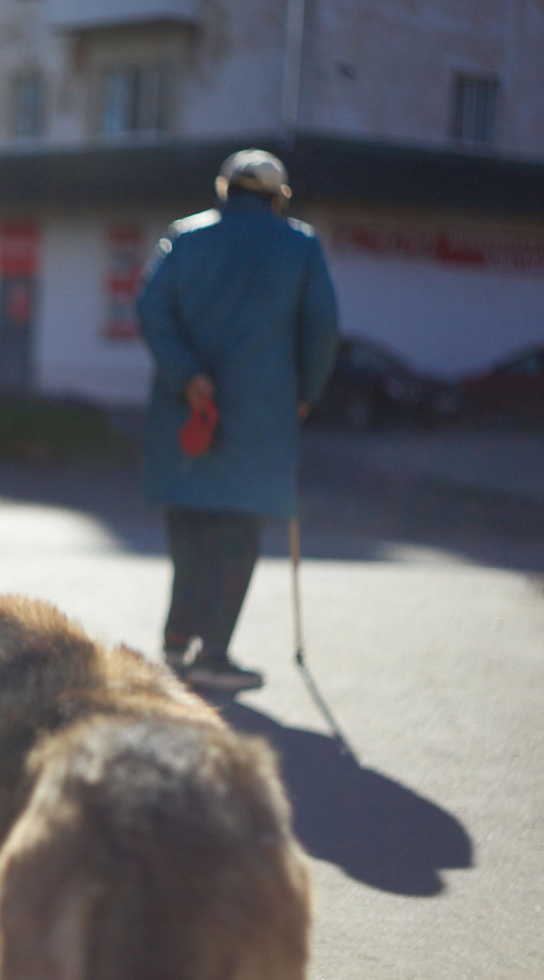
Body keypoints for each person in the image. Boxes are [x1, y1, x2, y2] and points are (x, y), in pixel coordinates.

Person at [135, 149, 340, 693]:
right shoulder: (300, 245)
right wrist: (306, 395)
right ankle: (214, 652)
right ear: (277, 199)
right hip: (261, 416)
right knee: (238, 535)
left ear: (225, 190)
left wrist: (186, 375)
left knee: (189, 529)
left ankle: (176, 641)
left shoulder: (184, 237)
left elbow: (150, 309)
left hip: (189, 412)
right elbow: (322, 329)